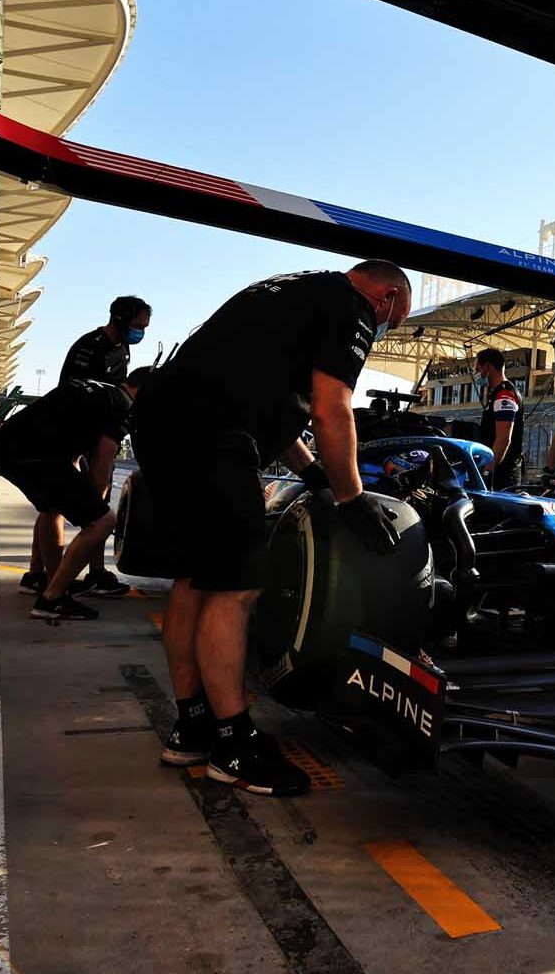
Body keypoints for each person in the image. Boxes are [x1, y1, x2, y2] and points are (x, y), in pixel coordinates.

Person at [132, 261, 411, 797]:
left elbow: (278, 418)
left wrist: (316, 477)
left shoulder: (295, 293)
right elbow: (334, 410)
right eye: (393, 322)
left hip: (164, 424)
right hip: (212, 435)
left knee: (197, 577)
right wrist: (352, 499)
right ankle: (234, 745)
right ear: (388, 299)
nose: (386, 332)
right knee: (237, 589)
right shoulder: (350, 306)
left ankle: (193, 725)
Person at [0, 369, 151, 621]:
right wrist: (94, 509)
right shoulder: (124, 407)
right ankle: (51, 600)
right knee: (103, 521)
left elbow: (71, 446)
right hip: (37, 455)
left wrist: (77, 493)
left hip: (8, 448)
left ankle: (52, 584)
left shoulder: (97, 388)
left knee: (51, 508)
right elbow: (102, 467)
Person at [38, 295, 151, 596]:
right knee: (58, 506)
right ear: (121, 318)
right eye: (138, 325)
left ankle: (88, 572)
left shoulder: (121, 350)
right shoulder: (89, 347)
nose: (141, 332)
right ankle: (48, 580)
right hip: (74, 434)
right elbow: (73, 396)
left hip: (98, 435)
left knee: (88, 504)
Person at [61, 295, 151, 384]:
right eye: (137, 326)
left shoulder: (122, 345)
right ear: (119, 321)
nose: (141, 332)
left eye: (144, 327)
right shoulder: (90, 345)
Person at [473, 347, 524, 490]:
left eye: (478, 369)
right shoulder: (497, 393)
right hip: (499, 473)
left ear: (488, 367)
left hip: (502, 477)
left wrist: (487, 471)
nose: (477, 374)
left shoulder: (504, 395)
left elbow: (503, 439)